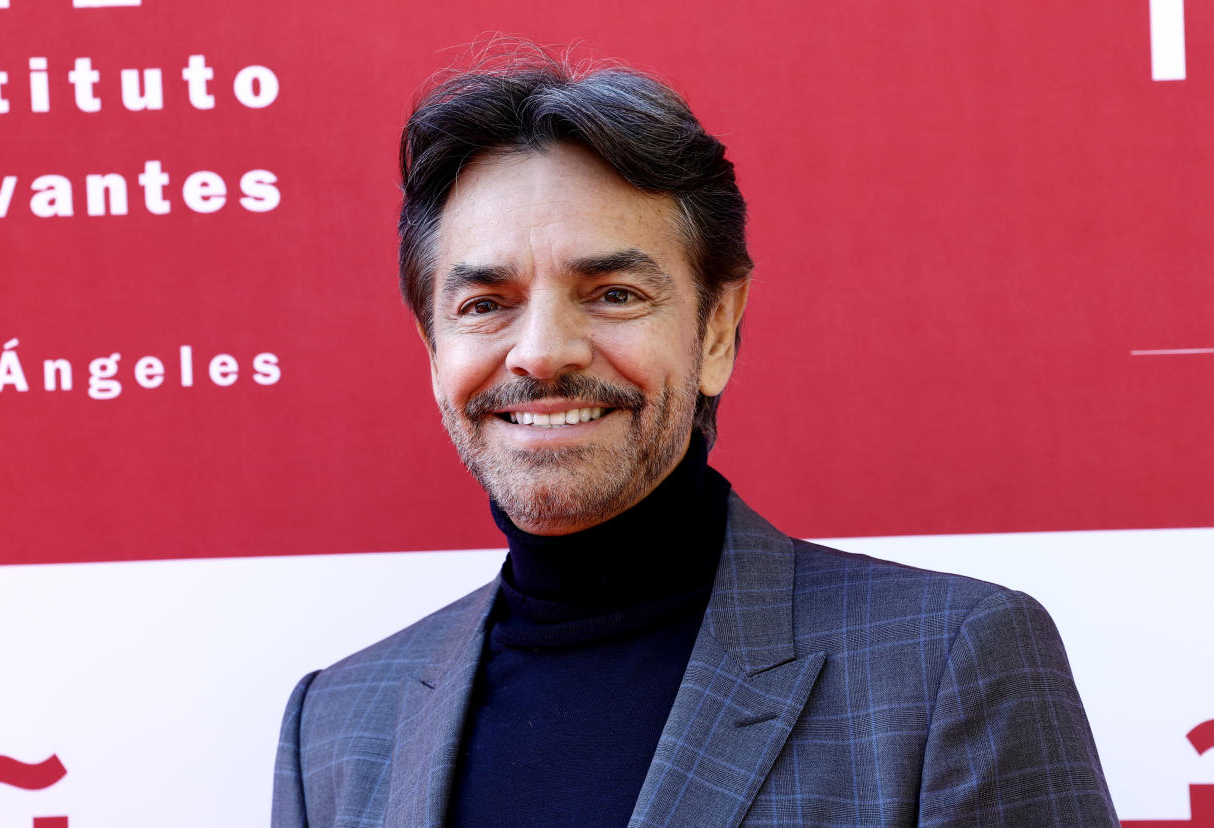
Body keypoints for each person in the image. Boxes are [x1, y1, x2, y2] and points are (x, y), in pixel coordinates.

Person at [272, 45, 1119, 827]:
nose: (540, 352)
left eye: (611, 293)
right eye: (485, 305)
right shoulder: (338, 727)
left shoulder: (946, 666)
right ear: (434, 350)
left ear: (716, 329)